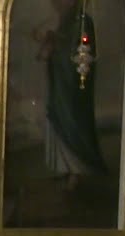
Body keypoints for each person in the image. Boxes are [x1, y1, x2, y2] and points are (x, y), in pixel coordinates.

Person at [34, 0, 106, 193]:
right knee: (58, 119)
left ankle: (77, 170)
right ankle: (65, 168)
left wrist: (53, 44)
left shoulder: (84, 22)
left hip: (73, 88)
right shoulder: (64, 21)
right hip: (60, 83)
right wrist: (50, 42)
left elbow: (81, 53)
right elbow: (62, 43)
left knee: (72, 122)